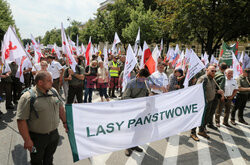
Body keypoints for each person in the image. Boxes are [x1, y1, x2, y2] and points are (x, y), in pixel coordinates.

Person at [16, 71, 67, 165]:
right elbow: (21, 121)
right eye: (49, 80)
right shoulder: (27, 97)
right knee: (36, 161)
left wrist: (65, 123)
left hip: (54, 135)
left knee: (49, 158)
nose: (52, 82)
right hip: (37, 138)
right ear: (40, 82)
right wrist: (27, 140)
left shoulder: (53, 91)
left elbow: (60, 108)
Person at [122, 69, 151, 156]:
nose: (144, 80)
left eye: (145, 79)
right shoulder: (131, 83)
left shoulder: (146, 84)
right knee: (130, 129)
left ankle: (134, 145)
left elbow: (146, 94)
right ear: (138, 75)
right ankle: (127, 147)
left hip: (141, 111)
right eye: (143, 78)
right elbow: (125, 97)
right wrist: (137, 102)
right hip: (131, 110)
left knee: (139, 129)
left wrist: (149, 96)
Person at [196, 65, 224, 139]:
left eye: (215, 71)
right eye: (212, 71)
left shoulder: (213, 79)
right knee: (202, 117)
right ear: (207, 70)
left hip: (211, 101)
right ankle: (200, 130)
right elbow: (197, 90)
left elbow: (212, 89)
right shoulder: (203, 78)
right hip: (204, 102)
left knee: (207, 116)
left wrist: (217, 91)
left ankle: (203, 129)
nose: (214, 72)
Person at [208, 63, 227, 130]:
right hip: (216, 95)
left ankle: (208, 123)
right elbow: (221, 88)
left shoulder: (215, 73)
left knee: (209, 110)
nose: (214, 72)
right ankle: (209, 123)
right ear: (226, 68)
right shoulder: (222, 76)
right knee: (212, 110)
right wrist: (222, 96)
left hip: (211, 93)